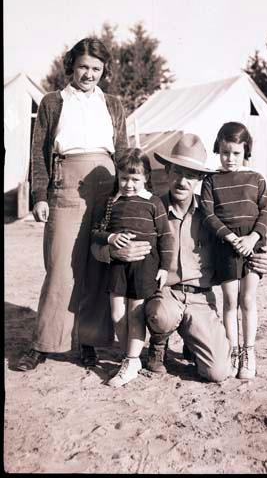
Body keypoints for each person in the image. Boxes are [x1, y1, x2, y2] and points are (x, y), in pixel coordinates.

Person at [94, 133, 267, 383]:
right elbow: (100, 244)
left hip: (200, 297)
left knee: (218, 373)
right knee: (158, 314)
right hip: (164, 293)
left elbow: (241, 236)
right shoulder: (148, 208)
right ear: (166, 171)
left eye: (190, 174)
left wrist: (261, 257)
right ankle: (158, 341)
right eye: (177, 171)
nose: (182, 181)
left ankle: (193, 340)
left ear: (200, 179)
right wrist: (111, 251)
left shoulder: (212, 216)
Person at [16, 38, 127, 372]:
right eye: (83, 67)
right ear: (71, 66)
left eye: (96, 68)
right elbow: (38, 152)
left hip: (106, 185)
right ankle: (44, 344)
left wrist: (125, 193)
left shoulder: (114, 104)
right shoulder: (53, 102)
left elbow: (120, 150)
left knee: (98, 265)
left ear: (103, 71)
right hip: (66, 185)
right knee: (61, 266)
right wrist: (39, 195)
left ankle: (89, 342)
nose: (89, 74)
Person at [91, 148, 173, 388]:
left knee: (135, 314)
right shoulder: (111, 203)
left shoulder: (153, 203)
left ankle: (131, 359)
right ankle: (131, 356)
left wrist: (165, 268)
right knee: (118, 314)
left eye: (135, 179)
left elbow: (166, 238)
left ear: (146, 177)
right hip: (118, 265)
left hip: (145, 265)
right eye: (124, 178)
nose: (128, 184)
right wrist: (110, 238)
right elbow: (96, 230)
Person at [200, 121, 267, 380]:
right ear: (218, 149)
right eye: (225, 152)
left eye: (236, 153)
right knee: (230, 301)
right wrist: (231, 237)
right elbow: (208, 215)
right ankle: (231, 350)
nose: (230, 158)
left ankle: (248, 353)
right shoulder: (211, 180)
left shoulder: (256, 179)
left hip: (253, 244)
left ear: (246, 152)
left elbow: (265, 211)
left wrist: (253, 238)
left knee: (248, 300)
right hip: (226, 246)